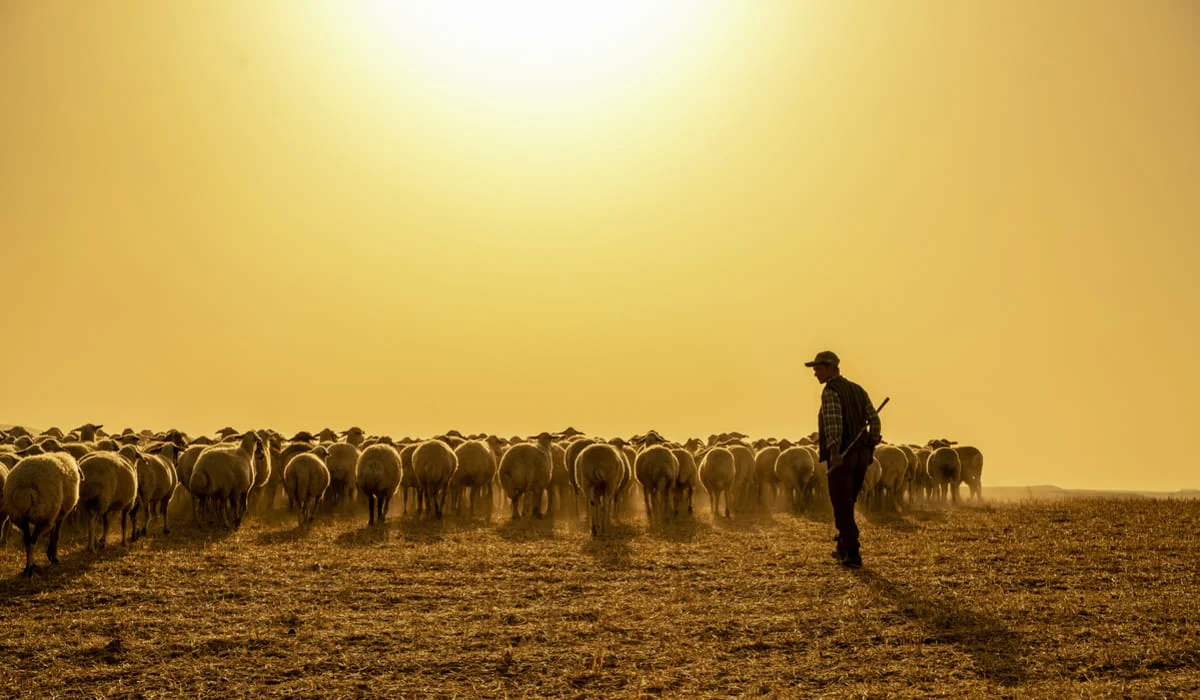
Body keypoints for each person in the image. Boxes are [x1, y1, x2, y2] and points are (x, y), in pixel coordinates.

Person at [805, 350, 881, 569]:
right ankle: (842, 546)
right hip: (861, 456)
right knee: (849, 501)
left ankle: (853, 552)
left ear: (831, 367)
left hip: (843, 457)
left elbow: (833, 423)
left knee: (841, 504)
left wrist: (835, 451)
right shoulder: (858, 389)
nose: (815, 373)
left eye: (818, 368)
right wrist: (871, 444)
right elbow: (874, 420)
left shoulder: (831, 391)